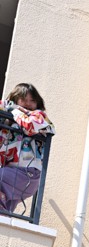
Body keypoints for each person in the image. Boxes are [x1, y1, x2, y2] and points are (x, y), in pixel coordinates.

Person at [0, 83, 55, 214]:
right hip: (11, 173)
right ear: (15, 99)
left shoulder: (39, 116)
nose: (28, 104)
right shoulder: (9, 122)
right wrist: (7, 107)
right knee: (5, 212)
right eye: (24, 100)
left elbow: (30, 125)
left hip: (28, 174)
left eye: (32, 100)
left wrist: (15, 110)